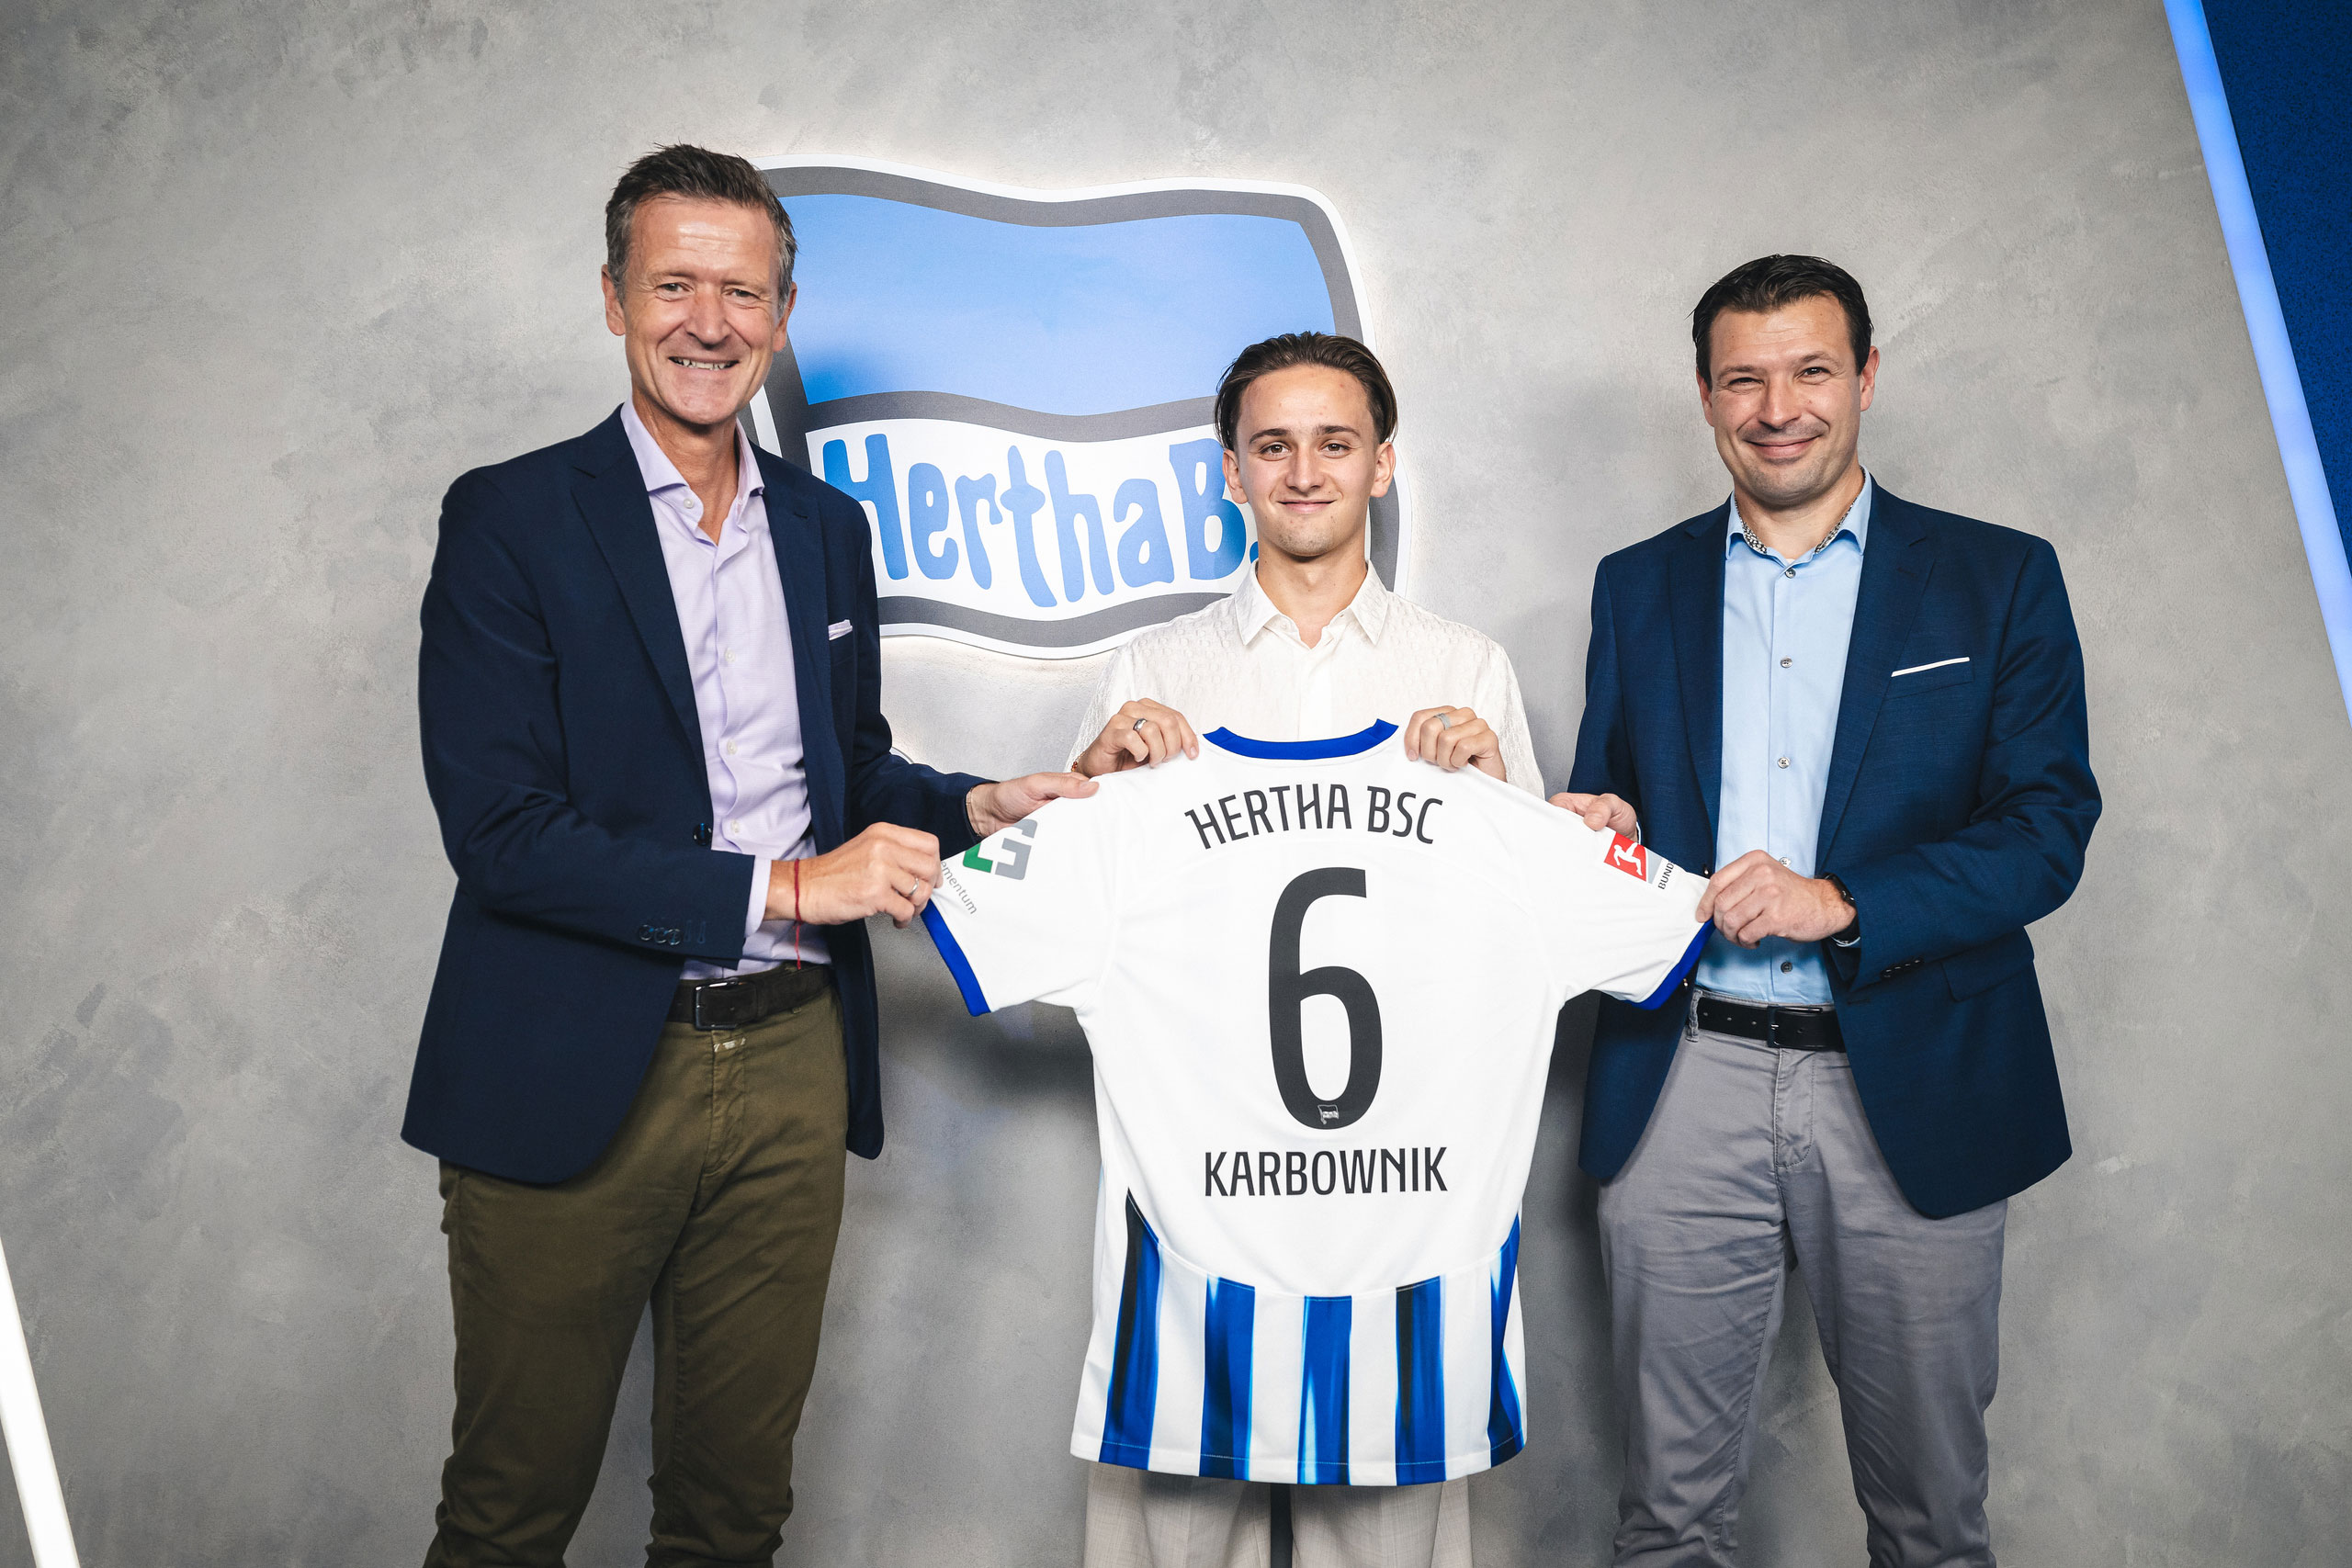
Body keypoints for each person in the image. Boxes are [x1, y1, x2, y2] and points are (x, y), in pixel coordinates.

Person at [402, 143, 1089, 1568]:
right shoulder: (510, 520)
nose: (707, 322)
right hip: (572, 1067)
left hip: (788, 1064)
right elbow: (503, 837)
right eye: (673, 285)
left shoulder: (829, 531)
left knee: (732, 1517)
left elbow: (841, 769)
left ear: (782, 312)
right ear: (612, 299)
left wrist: (975, 806)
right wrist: (784, 889)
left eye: (741, 290)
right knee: (510, 1513)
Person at [1555, 254, 2100, 1566]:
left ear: (1864, 378)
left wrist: (1844, 900)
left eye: (1810, 370)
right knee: (1668, 1520)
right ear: (1704, 397)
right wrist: (1598, 833)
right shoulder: (1638, 585)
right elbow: (1612, 804)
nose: (1777, 404)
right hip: (1682, 1074)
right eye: (1743, 377)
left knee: (1927, 1522)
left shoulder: (1998, 578)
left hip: (1916, 1077)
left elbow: (2047, 830)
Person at [1067, 330, 1537, 1568]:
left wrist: (1507, 799)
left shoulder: (1466, 670)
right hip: (1198, 1186)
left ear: (1383, 464)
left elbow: (1526, 938)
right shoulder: (1150, 670)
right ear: (1230, 471)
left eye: (1336, 442)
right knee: (1169, 1526)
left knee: (1386, 1534)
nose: (1305, 470)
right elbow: (1069, 900)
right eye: (1273, 445)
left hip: (1397, 1199)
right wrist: (1089, 780)